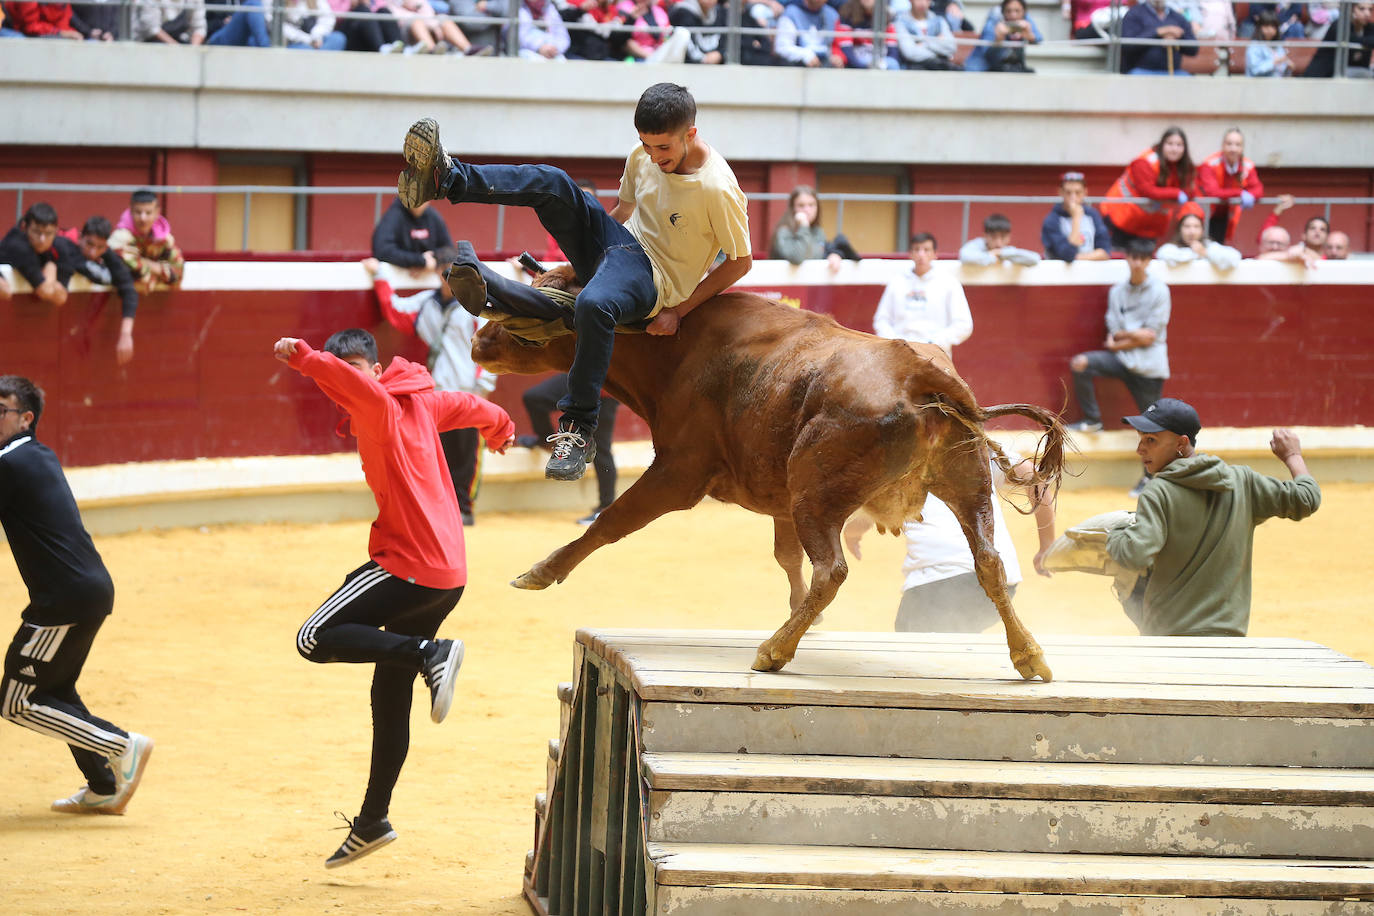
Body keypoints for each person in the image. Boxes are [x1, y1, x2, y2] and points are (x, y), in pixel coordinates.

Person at [397, 82, 751, 482]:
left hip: (654, 279)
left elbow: (740, 262)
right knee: (553, 182)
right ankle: (447, 178)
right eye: (646, 145)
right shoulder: (643, 156)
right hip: (620, 246)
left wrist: (677, 311)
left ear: (691, 134)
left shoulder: (718, 188)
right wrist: (574, 265)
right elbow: (621, 213)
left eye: (663, 148)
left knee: (593, 304)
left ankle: (578, 429)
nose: (654, 156)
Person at [274, 327, 514, 868]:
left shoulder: (380, 405)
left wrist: (306, 359)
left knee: (313, 638)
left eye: (360, 371)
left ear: (377, 372)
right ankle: (372, 820)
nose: (354, 383)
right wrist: (501, 428)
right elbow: (475, 405)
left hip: (407, 565)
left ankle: (431, 655)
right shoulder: (424, 401)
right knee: (389, 693)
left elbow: (351, 385)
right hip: (447, 575)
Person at [0, 375, 155, 817]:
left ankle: (120, 745)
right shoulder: (36, 455)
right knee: (56, 689)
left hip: (61, 601)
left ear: (25, 418)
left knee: (17, 700)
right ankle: (104, 786)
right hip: (87, 590)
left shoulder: (9, 463)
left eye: (0, 411)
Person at [1105, 398, 1321, 637]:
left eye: (1151, 440)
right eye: (1141, 439)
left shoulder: (1159, 491)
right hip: (1230, 634)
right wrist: (1292, 455)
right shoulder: (1242, 481)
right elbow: (1306, 498)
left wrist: (1114, 535)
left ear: (1181, 443)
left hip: (1169, 635)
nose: (1140, 449)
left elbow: (1135, 554)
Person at [843, 450, 1055, 632]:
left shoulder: (898, 456)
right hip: (1001, 581)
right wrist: (1046, 546)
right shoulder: (976, 446)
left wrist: (851, 536)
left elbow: (866, 518)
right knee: (957, 632)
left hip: (940, 580)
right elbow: (1035, 479)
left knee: (913, 649)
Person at [364, 254, 496, 525]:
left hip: (467, 391)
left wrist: (483, 386)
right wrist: (379, 275)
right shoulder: (425, 303)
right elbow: (394, 309)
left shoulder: (477, 307)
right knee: (438, 452)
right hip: (435, 396)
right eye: (447, 274)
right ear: (438, 273)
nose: (452, 281)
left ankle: (464, 508)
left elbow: (490, 347)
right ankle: (443, 508)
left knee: (466, 452)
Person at [1066, 237, 1170, 437]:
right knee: (1080, 363)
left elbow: (1150, 337)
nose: (1137, 263)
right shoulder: (1117, 291)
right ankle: (1092, 421)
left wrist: (1119, 343)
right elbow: (1115, 330)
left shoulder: (1160, 290)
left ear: (1149, 261)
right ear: (1127, 259)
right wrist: (1135, 335)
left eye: (1142, 259)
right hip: (1122, 359)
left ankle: (1153, 470)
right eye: (1134, 258)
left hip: (1149, 366)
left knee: (1152, 430)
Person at [520, 376, 620, 524]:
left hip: (605, 386)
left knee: (600, 448)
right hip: (581, 374)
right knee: (534, 397)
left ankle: (606, 508)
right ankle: (546, 441)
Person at [55, 216, 140, 366]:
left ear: (106, 247)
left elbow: (129, 290)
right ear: (80, 237)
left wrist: (126, 334)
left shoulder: (108, 255)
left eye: (100, 247)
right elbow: (89, 271)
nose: (93, 252)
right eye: (89, 244)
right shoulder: (65, 245)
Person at [872, 232, 972, 357]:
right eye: (916, 250)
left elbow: (963, 324)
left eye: (926, 250)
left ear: (935, 254)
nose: (921, 255)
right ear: (910, 254)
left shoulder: (949, 283)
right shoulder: (896, 282)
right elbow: (881, 320)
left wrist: (935, 343)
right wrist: (896, 343)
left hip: (936, 354)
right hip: (900, 355)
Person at [1100, 126, 1197, 247]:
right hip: (1121, 217)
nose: (1174, 149)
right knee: (1120, 260)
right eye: (1170, 143)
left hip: (1149, 226)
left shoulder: (1183, 166)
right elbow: (1148, 190)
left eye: (1179, 145)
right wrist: (1177, 194)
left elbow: (1190, 190)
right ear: (1162, 144)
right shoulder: (1144, 161)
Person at [768, 185, 860, 272]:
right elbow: (797, 258)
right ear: (793, 208)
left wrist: (834, 255)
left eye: (811, 205)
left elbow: (818, 254)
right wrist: (803, 226)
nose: (807, 210)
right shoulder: (784, 231)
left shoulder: (818, 232)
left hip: (809, 286)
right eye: (801, 205)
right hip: (785, 286)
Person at [108, 190, 185, 294]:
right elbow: (123, 268)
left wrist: (145, 264)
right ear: (131, 211)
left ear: (157, 212)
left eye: (148, 213)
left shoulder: (165, 239)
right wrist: (159, 269)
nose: (143, 218)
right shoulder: (119, 238)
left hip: (158, 301)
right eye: (138, 212)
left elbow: (177, 272)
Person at [1196, 128, 1263, 245]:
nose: (1233, 149)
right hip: (1203, 214)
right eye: (1229, 144)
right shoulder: (1210, 163)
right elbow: (1213, 192)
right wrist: (1240, 193)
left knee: (1219, 247)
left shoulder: (1247, 164)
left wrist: (1249, 195)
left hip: (1226, 214)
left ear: (1242, 148)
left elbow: (1258, 189)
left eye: (1238, 145)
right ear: (1222, 146)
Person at [0, 203, 71, 306]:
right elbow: (45, 291)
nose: (42, 239)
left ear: (56, 231)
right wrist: (50, 268)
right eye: (37, 232)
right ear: (24, 227)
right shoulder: (18, 246)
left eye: (48, 233)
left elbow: (62, 298)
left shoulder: (60, 246)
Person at [371, 197, 454, 276]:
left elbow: (449, 250)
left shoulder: (433, 216)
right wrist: (419, 261)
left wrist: (433, 261)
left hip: (428, 283)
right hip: (397, 282)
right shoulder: (393, 216)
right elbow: (382, 251)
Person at [1041, 171, 1112, 262]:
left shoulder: (1092, 215)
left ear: (1085, 192)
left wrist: (1076, 258)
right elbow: (1067, 254)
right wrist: (1076, 218)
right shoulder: (1052, 220)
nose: (1073, 197)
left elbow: (1104, 252)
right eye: (1068, 193)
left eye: (1077, 192)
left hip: (1089, 272)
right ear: (1060, 192)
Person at [1119, 0, 1196, 75]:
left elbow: (1193, 50)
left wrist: (1178, 38)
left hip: (1174, 72)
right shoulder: (1134, 14)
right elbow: (1127, 46)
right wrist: (1158, 32)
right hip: (1141, 71)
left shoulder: (1177, 17)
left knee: (1189, 82)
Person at [1156, 205, 1241, 270]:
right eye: (1187, 226)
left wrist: (1205, 253)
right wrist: (1195, 253)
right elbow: (1163, 254)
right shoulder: (1170, 248)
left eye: (1196, 226)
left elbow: (1234, 257)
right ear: (1179, 230)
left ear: (1202, 230)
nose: (1192, 232)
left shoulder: (1208, 246)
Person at [964, 0, 1041, 72]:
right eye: (1009, 11)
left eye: (1017, 11)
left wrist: (1029, 35)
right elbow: (988, 55)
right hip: (985, 68)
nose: (1013, 15)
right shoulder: (994, 20)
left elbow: (1038, 38)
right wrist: (999, 40)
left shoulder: (1025, 18)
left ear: (1024, 12)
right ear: (1003, 12)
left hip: (1012, 68)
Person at [1303, 1, 1372, 78]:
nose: (1367, 14)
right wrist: (1367, 42)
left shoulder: (1369, 28)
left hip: (1350, 72)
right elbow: (1353, 39)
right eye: (1361, 9)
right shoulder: (1339, 25)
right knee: (1367, 75)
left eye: (1370, 9)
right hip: (1325, 75)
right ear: (1351, 9)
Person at [832, 0, 900, 69]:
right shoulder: (847, 12)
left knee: (893, 64)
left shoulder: (886, 14)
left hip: (881, 59)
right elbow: (846, 49)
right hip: (858, 59)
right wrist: (864, 67)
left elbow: (893, 51)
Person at [774, 0, 843, 67]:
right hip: (798, 67)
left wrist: (837, 57)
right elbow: (782, 47)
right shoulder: (791, 12)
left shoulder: (832, 14)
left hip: (825, 66)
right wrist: (805, 55)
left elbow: (835, 45)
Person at [895, 0, 959, 69]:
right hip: (915, 69)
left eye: (927, 0)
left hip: (940, 67)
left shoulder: (939, 21)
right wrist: (938, 45)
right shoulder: (901, 22)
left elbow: (951, 47)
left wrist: (923, 44)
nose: (923, 3)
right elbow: (910, 53)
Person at [959, 212, 1041, 267]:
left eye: (1003, 237)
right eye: (993, 237)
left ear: (1009, 237)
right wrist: (992, 256)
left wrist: (1001, 253)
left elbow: (1035, 259)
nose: (998, 243)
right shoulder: (975, 246)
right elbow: (965, 256)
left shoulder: (1008, 251)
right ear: (985, 236)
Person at [130, 0, 207, 43]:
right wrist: (179, 50)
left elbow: (199, 28)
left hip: (180, 42)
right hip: (147, 45)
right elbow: (152, 30)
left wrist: (193, 52)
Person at [1246, 11, 1292, 76]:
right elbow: (1255, 70)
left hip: (1278, 84)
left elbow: (1281, 69)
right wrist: (1275, 62)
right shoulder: (1254, 46)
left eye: (1273, 26)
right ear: (1259, 27)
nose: (1270, 29)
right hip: (1258, 84)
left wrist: (1288, 67)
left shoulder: (1278, 46)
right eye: (1266, 26)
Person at [1255, 224, 1320, 268]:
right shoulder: (1252, 263)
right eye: (1271, 243)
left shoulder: (1296, 257)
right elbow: (1261, 258)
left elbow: (1319, 259)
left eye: (1280, 243)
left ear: (1288, 246)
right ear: (1261, 245)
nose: (1275, 247)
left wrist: (1303, 250)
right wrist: (1291, 256)